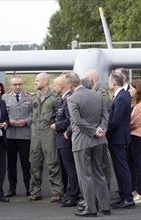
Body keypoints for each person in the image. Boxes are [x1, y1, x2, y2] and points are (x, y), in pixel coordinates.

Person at [65, 72, 110, 217]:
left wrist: (93, 131)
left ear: (70, 85)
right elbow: (105, 114)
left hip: (82, 142)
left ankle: (91, 209)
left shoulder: (72, 98)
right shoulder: (96, 95)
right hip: (99, 140)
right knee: (99, 173)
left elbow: (77, 120)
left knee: (85, 176)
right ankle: (105, 206)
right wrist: (100, 129)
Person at [28, 72, 63, 203]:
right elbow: (32, 114)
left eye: (38, 80)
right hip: (36, 133)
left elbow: (59, 116)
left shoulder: (55, 98)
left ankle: (57, 192)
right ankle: (35, 191)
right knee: (34, 163)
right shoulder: (33, 97)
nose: (35, 82)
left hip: (49, 132)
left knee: (53, 163)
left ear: (45, 82)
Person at [50, 75, 80, 207]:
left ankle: (73, 195)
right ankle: (69, 193)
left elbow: (70, 120)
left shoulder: (69, 99)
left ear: (61, 86)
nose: (53, 87)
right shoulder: (64, 99)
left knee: (70, 169)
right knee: (65, 169)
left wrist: (57, 126)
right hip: (61, 139)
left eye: (55, 85)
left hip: (65, 139)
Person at [107, 70, 135, 209]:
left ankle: (128, 198)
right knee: (119, 168)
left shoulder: (122, 97)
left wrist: (105, 132)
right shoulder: (119, 96)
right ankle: (123, 195)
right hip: (116, 138)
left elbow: (115, 120)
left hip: (118, 138)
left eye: (109, 81)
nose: (108, 84)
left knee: (122, 168)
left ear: (113, 82)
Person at [2, 75, 32, 197]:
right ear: (11, 85)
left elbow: (35, 114)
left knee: (26, 164)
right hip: (10, 135)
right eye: (15, 84)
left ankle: (29, 188)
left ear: (22, 84)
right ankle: (12, 189)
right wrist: (9, 121)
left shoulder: (30, 97)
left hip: (25, 135)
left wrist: (26, 121)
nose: (17, 87)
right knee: (11, 164)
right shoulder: (5, 97)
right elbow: (2, 114)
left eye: (19, 84)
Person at [85, 69, 112, 190]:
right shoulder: (89, 92)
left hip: (100, 132)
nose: (85, 80)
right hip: (90, 132)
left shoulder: (101, 93)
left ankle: (104, 188)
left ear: (94, 79)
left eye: (87, 77)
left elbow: (103, 112)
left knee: (103, 162)